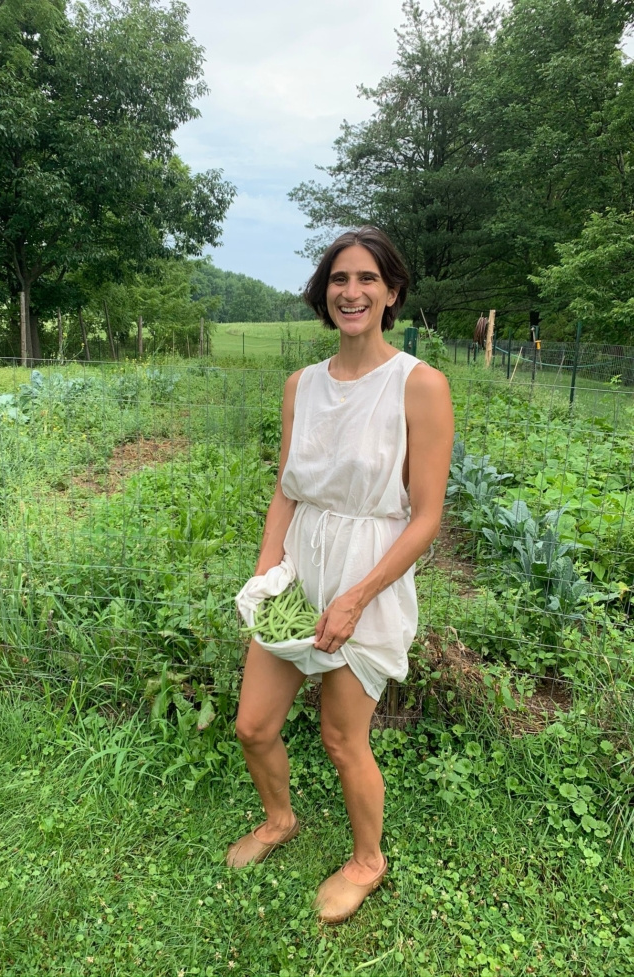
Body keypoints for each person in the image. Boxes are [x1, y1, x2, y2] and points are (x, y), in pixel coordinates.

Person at [227, 226, 454, 924]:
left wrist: (355, 597)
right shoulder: (302, 384)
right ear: (323, 294)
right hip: (300, 572)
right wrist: (269, 573)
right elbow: (286, 490)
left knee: (339, 736)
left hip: (369, 577)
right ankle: (279, 819)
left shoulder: (420, 384)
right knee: (253, 725)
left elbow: (424, 516)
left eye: (365, 279)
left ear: (391, 293)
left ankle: (367, 860)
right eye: (337, 279)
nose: (350, 291)